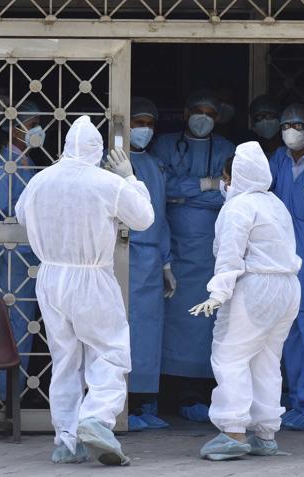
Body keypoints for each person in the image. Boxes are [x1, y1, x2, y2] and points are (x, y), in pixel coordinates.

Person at [15, 116, 154, 465]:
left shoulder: (40, 181)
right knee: (109, 351)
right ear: (98, 151)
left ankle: (67, 439)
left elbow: (21, 216)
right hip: (91, 277)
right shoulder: (105, 182)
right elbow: (144, 218)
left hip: (50, 277)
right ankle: (96, 418)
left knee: (65, 359)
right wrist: (130, 178)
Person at [190, 142, 301, 461]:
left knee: (230, 356)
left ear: (233, 176)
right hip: (286, 288)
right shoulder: (275, 204)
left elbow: (229, 256)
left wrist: (218, 293)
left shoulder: (237, 207)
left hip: (255, 287)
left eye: (226, 177)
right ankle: (265, 434)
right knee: (266, 360)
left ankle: (233, 431)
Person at [151, 90, 236, 422]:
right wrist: (204, 184)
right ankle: (171, 392)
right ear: (185, 113)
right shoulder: (164, 144)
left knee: (207, 323)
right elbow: (162, 189)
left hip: (210, 253)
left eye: (209, 113)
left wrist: (185, 194)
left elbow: (227, 196)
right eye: (197, 111)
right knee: (173, 324)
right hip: (173, 248)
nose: (203, 118)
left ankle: (199, 392)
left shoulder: (227, 149)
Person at [0, 100, 44, 401]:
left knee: (20, 330)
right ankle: (1, 398)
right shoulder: (6, 165)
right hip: (9, 262)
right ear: (13, 128)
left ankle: (9, 395)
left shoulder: (24, 163)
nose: (38, 130)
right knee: (12, 328)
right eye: (32, 124)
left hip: (22, 261)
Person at [127, 97, 176, 432]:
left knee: (147, 335)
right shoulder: (114, 163)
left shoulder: (156, 165)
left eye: (148, 123)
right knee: (124, 334)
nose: (143, 129)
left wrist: (166, 262)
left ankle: (143, 400)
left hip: (150, 258)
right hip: (124, 256)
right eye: (137, 122)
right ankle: (122, 404)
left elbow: (161, 217)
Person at [268, 103, 304, 432]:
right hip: (282, 258)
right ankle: (298, 400)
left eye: (297, 124)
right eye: (286, 124)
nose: (291, 130)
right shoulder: (279, 160)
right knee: (289, 331)